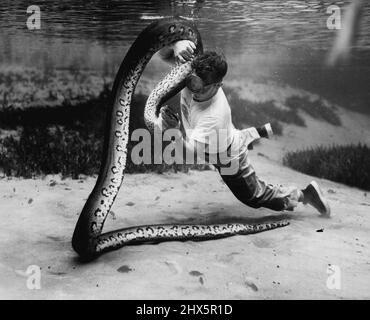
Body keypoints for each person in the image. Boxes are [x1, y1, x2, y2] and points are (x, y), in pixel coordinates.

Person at [157, 40, 331, 216]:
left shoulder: (213, 117)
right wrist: (176, 46)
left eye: (201, 86)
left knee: (255, 197)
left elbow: (187, 155)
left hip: (228, 155)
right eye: (192, 82)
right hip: (217, 139)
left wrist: (173, 132)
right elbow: (163, 54)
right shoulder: (192, 75)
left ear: (218, 86)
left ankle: (305, 194)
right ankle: (255, 134)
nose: (195, 89)